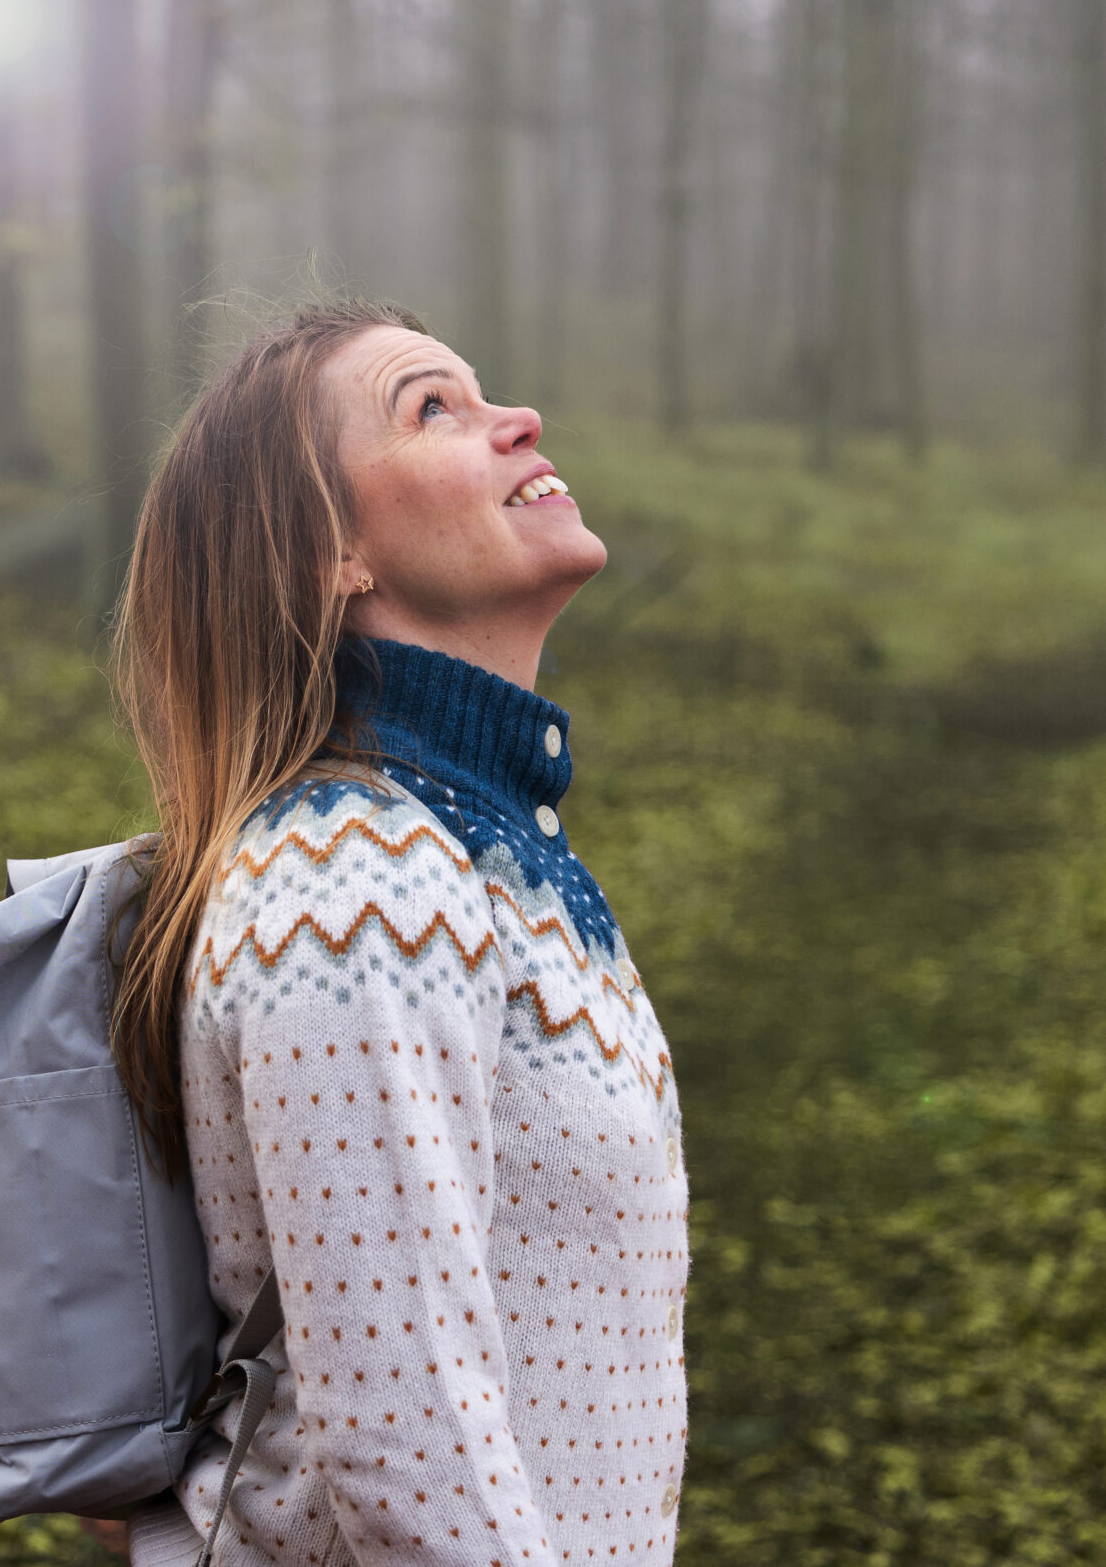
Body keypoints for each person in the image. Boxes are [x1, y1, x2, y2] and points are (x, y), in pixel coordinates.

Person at [96, 300, 687, 1565]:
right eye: (434, 407)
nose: (516, 418)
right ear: (330, 554)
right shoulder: (354, 879)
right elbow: (401, 1464)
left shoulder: (485, 850)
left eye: (485, 394)